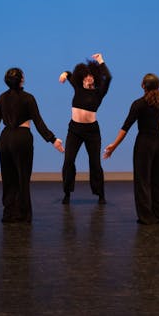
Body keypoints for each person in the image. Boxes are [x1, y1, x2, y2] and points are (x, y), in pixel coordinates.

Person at [0, 67, 64, 223]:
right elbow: (38, 122)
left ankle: (8, 213)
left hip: (5, 138)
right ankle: (22, 214)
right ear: (22, 79)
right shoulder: (28, 98)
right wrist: (53, 140)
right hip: (22, 138)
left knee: (8, 177)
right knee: (22, 176)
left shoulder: (2, 98)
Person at [103, 73, 159, 224]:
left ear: (143, 86)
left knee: (142, 180)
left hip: (144, 144)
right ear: (158, 86)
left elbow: (125, 127)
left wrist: (114, 146)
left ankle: (147, 217)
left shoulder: (138, 104)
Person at [59, 53, 112, 205]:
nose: (89, 78)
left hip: (92, 132)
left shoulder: (99, 92)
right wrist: (64, 74)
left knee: (95, 163)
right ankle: (67, 193)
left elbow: (108, 78)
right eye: (86, 76)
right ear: (82, 77)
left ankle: (100, 194)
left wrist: (101, 61)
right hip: (74, 130)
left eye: (92, 76)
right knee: (68, 160)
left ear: (95, 77)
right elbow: (69, 74)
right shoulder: (77, 86)